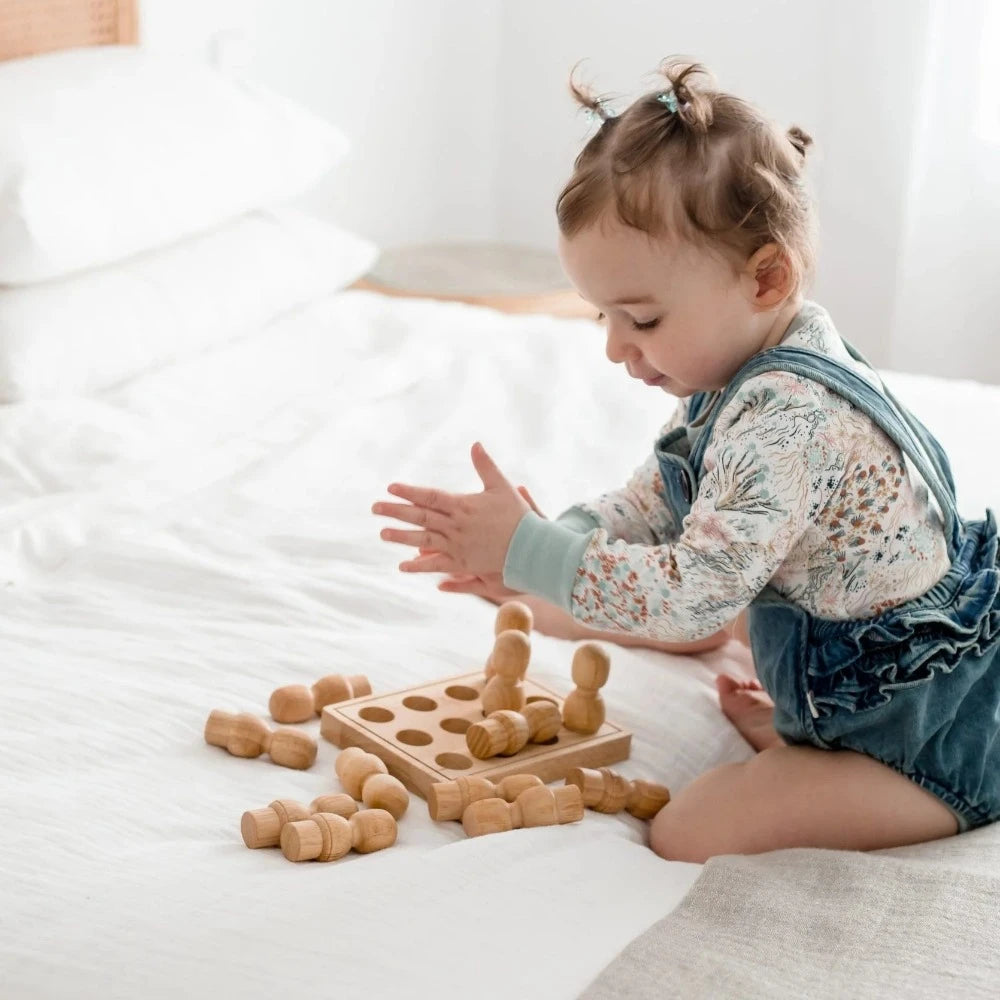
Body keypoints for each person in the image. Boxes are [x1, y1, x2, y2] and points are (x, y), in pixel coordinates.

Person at [371, 57, 1000, 861]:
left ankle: (899, 782)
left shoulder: (788, 420)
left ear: (766, 278)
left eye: (641, 317)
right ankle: (801, 711)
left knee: (688, 827)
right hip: (846, 640)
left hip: (917, 720)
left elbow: (695, 597)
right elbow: (657, 501)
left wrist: (535, 555)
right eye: (601, 315)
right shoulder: (740, 365)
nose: (612, 347)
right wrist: (548, 537)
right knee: (679, 579)